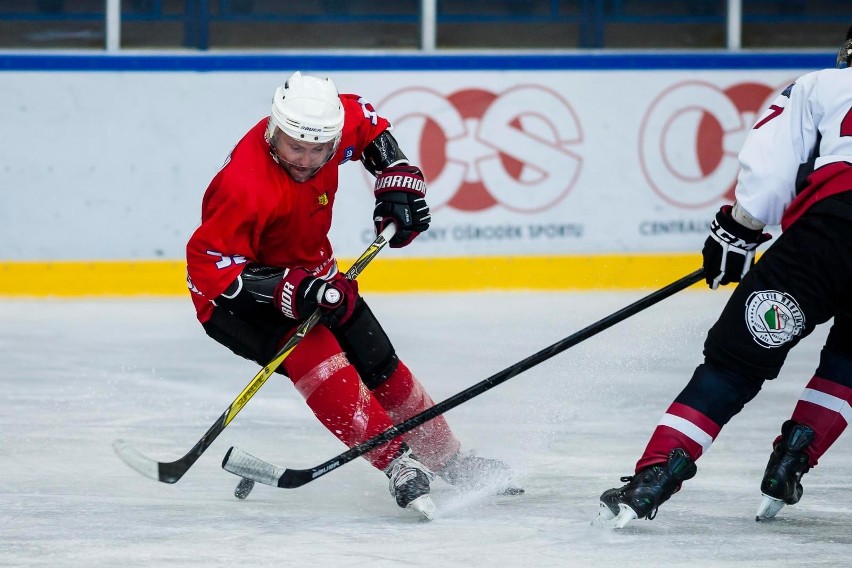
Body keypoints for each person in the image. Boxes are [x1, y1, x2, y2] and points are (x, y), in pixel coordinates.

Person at [185, 71, 519, 518]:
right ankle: (399, 464)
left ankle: (448, 460)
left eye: (319, 150)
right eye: (294, 147)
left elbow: (370, 128)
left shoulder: (336, 121)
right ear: (274, 129)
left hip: (317, 278)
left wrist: (396, 177)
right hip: (239, 302)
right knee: (320, 361)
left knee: (381, 364)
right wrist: (296, 290)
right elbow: (211, 272)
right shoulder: (245, 186)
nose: (305, 160)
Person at [596, 28, 852, 528]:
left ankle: (654, 477)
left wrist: (738, 232)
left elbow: (771, 173)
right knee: (848, 362)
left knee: (735, 363)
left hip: (825, 241)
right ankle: (793, 459)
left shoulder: (823, 85)